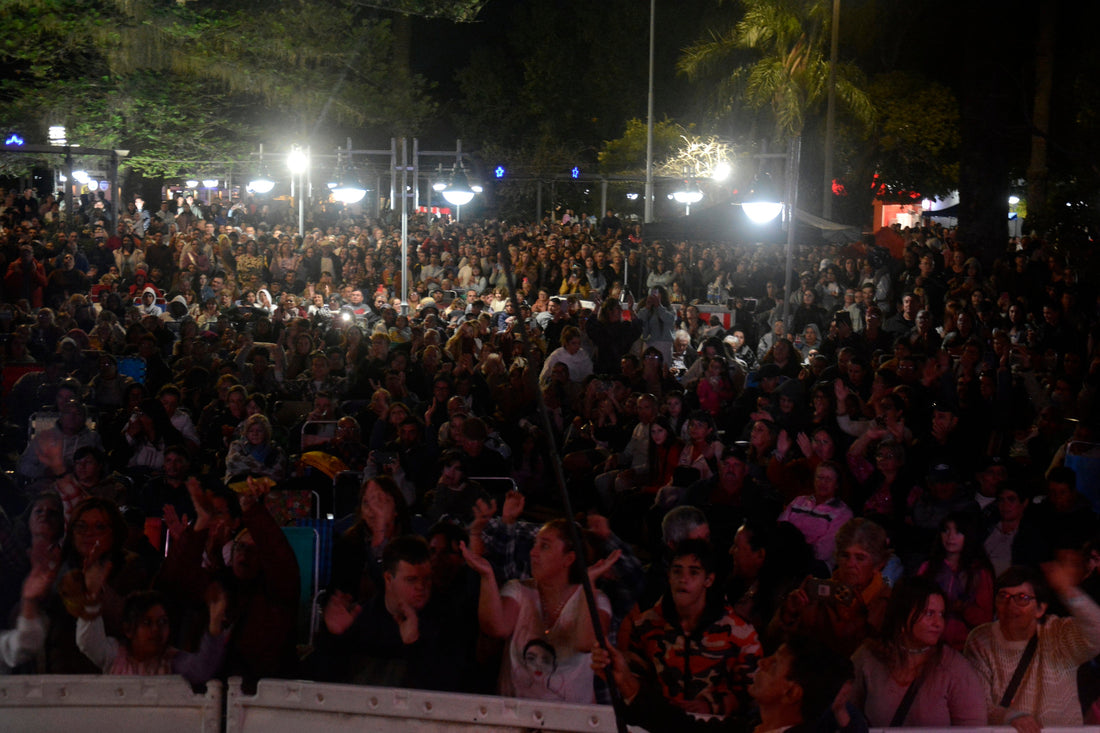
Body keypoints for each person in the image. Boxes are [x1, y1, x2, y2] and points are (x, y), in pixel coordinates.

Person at [461, 518, 616, 703]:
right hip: (516, 716)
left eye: (545, 546)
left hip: (571, 722)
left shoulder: (597, 600)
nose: (533, 553)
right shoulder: (518, 590)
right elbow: (496, 628)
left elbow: (586, 642)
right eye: (535, 544)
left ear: (569, 558)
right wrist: (487, 576)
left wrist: (587, 584)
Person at [593, 634, 858, 733]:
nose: (762, 663)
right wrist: (627, 682)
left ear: (792, 692)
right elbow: (682, 729)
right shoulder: (749, 727)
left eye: (775, 664)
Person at [622, 539, 761, 717]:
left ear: (708, 579)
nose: (683, 579)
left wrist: (713, 705)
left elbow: (754, 696)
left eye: (693, 572)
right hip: (657, 724)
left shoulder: (740, 633)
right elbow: (635, 682)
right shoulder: (646, 626)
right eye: (677, 571)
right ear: (668, 576)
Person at [964, 561, 1100, 730]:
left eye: (1023, 598)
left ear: (1040, 609)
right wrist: (1011, 718)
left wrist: (1067, 590)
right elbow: (977, 704)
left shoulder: (1059, 634)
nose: (1011, 606)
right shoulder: (980, 639)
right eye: (1003, 596)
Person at [850, 576, 986, 727]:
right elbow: (845, 713)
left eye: (941, 614)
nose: (938, 623)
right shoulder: (869, 657)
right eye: (929, 613)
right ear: (903, 614)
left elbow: (973, 727)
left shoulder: (954, 668)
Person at [777, 461, 854, 570]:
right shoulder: (798, 501)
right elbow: (780, 527)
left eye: (828, 479)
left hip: (815, 565)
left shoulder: (842, 512)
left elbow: (824, 551)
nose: (823, 483)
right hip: (785, 553)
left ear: (836, 484)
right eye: (820, 478)